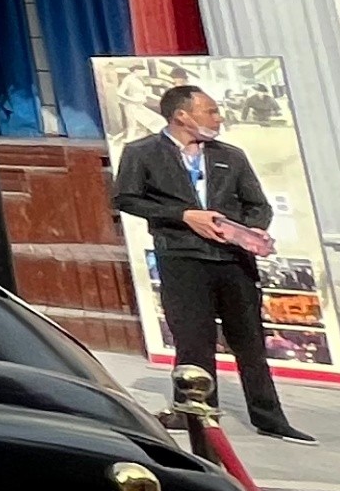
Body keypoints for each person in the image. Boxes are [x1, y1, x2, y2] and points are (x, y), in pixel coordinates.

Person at [113, 83, 312, 443]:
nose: (218, 119)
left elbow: (258, 205)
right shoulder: (142, 152)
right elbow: (126, 199)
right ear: (181, 115)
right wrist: (183, 215)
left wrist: (251, 231)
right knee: (193, 340)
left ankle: (269, 417)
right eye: (211, 111)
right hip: (182, 257)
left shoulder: (230, 156)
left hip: (233, 258)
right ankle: (198, 413)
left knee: (249, 339)